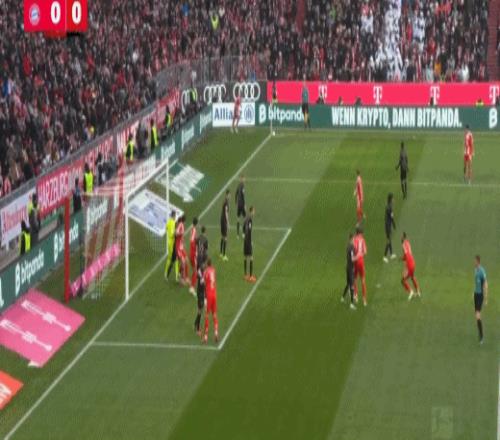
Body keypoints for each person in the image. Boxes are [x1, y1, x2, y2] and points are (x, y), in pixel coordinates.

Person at [194, 226, 209, 336]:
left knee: (201, 308)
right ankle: (197, 328)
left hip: (202, 288)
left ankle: (196, 324)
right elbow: (198, 271)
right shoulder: (201, 257)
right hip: (200, 288)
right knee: (200, 309)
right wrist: (202, 278)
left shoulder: (201, 255)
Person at [401, 232, 421, 300]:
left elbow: (405, 255)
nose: (401, 238)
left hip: (409, 265)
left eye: (401, 237)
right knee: (412, 277)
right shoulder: (408, 243)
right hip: (413, 262)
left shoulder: (403, 245)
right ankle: (418, 292)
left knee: (403, 281)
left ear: (403, 237)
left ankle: (411, 292)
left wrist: (401, 259)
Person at [203, 258, 219, 343]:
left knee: (207, 315)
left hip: (208, 295)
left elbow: (204, 283)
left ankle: (205, 337)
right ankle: (216, 333)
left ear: (207, 263)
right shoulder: (213, 270)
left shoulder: (206, 272)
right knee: (214, 314)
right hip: (214, 294)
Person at [473, 255, 488, 344]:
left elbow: (485, 284)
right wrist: (473, 292)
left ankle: (481, 336)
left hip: (480, 295)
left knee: (478, 315)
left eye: (475, 261)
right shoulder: (475, 270)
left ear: (478, 261)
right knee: (476, 315)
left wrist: (486, 298)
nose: (474, 262)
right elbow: (476, 283)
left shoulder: (482, 271)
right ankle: (480, 333)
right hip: (476, 294)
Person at [341, 233, 357, 310]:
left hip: (347, 267)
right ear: (352, 239)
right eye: (354, 238)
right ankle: (352, 304)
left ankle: (342, 298)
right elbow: (352, 258)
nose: (354, 240)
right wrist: (358, 256)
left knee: (348, 283)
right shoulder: (352, 247)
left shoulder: (348, 246)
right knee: (352, 285)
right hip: (351, 268)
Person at [353, 226, 368, 306]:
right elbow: (365, 252)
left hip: (355, 261)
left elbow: (353, 250)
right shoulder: (362, 239)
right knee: (363, 280)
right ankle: (364, 300)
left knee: (354, 278)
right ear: (361, 233)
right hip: (361, 261)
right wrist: (361, 255)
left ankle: (355, 295)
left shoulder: (353, 239)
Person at [243, 206, 256, 282]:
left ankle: (245, 275)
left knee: (245, 257)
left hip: (245, 240)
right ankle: (250, 276)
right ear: (251, 211)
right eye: (254, 211)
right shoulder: (250, 220)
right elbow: (249, 231)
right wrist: (250, 241)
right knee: (251, 257)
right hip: (248, 241)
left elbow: (244, 228)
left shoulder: (246, 219)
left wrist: (244, 235)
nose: (254, 212)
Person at [383, 193, 397, 263]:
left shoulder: (389, 206)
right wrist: (394, 225)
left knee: (389, 239)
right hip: (388, 225)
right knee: (388, 240)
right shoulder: (389, 207)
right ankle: (385, 256)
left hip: (388, 225)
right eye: (393, 198)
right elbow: (391, 217)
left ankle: (391, 254)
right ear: (391, 199)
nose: (394, 200)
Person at [175, 215, 188, 284]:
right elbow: (176, 233)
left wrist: (182, 242)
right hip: (178, 248)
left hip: (181, 247)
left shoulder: (182, 225)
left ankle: (180, 274)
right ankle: (182, 279)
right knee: (183, 262)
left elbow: (181, 236)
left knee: (186, 260)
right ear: (184, 221)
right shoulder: (180, 225)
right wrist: (180, 233)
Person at [164, 210, 177, 280]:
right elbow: (172, 234)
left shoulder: (168, 221)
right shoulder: (172, 223)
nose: (175, 217)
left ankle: (166, 273)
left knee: (170, 258)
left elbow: (166, 228)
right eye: (175, 215)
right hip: (172, 243)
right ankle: (167, 274)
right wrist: (176, 233)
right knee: (173, 259)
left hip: (168, 242)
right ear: (174, 215)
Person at [189, 217, 198, 295]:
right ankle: (192, 288)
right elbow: (192, 240)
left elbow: (191, 239)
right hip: (193, 255)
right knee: (195, 271)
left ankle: (192, 280)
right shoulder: (194, 230)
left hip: (190, 253)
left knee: (194, 270)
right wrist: (196, 248)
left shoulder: (192, 228)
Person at [220, 190, 230, 261]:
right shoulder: (226, 202)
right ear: (227, 195)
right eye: (229, 195)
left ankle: (221, 253)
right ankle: (224, 255)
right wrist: (228, 222)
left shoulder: (224, 201)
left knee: (222, 236)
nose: (230, 196)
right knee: (225, 238)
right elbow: (226, 213)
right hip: (224, 221)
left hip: (222, 219)